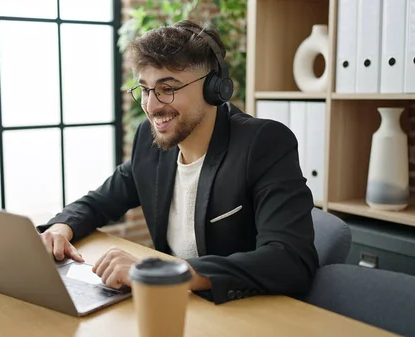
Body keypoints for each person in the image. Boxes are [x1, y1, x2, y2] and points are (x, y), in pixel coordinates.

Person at [36, 19, 319, 304]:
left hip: (239, 310)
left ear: (214, 89)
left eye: (167, 88)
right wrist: (60, 229)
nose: (152, 105)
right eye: (145, 89)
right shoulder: (150, 142)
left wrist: (167, 273)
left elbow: (291, 259)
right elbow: (99, 202)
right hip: (175, 305)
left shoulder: (262, 143)